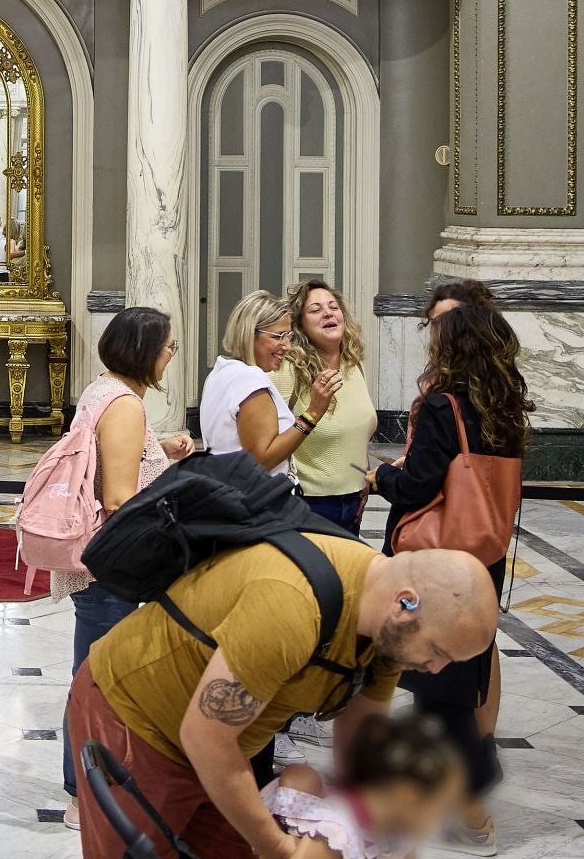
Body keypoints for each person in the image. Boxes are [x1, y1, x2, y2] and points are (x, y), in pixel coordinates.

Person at [68, 543, 499, 859]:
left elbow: (361, 740)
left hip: (220, 744)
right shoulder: (292, 606)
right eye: (438, 651)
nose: (436, 669)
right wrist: (276, 846)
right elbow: (206, 740)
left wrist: (374, 831)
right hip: (138, 718)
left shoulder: (385, 636)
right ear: (405, 603)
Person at [366, 306, 531, 858]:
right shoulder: (504, 405)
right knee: (461, 674)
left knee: (441, 689)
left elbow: (417, 487)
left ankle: (472, 811)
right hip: (484, 554)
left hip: (440, 560)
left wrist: (381, 476)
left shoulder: (445, 406)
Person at [54, 307, 194, 825]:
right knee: (101, 683)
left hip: (104, 563)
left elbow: (117, 462)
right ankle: (86, 794)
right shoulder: (123, 405)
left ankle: (95, 785)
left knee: (98, 676)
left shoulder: (105, 390)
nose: (171, 356)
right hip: (111, 567)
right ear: (144, 351)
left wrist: (161, 452)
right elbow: (117, 498)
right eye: (168, 347)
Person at [263, 711, 465, 859]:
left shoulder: (399, 835)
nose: (442, 821)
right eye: (442, 808)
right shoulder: (337, 835)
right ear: (409, 795)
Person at [275, 280, 377, 536]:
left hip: (353, 501)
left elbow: (358, 428)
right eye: (315, 310)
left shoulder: (353, 364)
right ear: (299, 325)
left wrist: (363, 476)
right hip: (306, 503)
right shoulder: (287, 369)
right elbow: (267, 439)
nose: (328, 313)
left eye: (333, 307)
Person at [201, 291, 321, 481]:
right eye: (278, 336)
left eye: (289, 336)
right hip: (258, 494)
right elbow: (261, 460)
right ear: (250, 334)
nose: (287, 346)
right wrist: (312, 414)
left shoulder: (220, 372)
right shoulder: (249, 377)